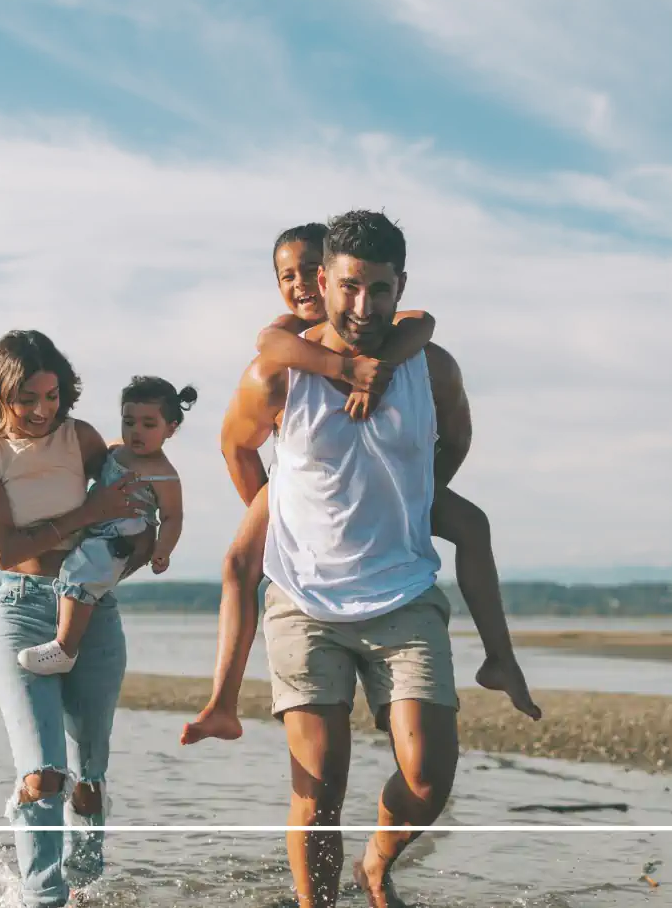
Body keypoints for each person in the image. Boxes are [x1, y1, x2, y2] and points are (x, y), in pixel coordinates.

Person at [187, 211, 515, 908]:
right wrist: (282, 511)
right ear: (322, 283)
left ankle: (376, 862)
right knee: (319, 786)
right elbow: (235, 446)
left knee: (429, 776)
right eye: (347, 288)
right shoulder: (277, 376)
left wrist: (412, 494)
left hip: (403, 593)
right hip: (304, 603)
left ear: (400, 288)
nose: (363, 306)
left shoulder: (429, 366)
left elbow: (453, 437)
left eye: (379, 290)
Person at [0, 330, 153, 908]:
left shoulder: (84, 438)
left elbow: (136, 501)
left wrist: (135, 548)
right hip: (20, 610)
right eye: (27, 398)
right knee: (44, 774)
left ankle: (87, 889)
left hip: (92, 611)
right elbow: (4, 550)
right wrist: (88, 513)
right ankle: (45, 898)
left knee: (88, 777)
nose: (42, 410)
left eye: (52, 395)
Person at [18, 375, 195, 675]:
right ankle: (64, 632)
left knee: (80, 574)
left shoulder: (164, 474)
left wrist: (162, 550)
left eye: (148, 425)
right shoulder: (115, 451)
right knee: (71, 569)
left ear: (171, 429)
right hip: (95, 524)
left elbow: (172, 517)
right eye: (129, 422)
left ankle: (65, 648)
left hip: (121, 537)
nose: (136, 431)